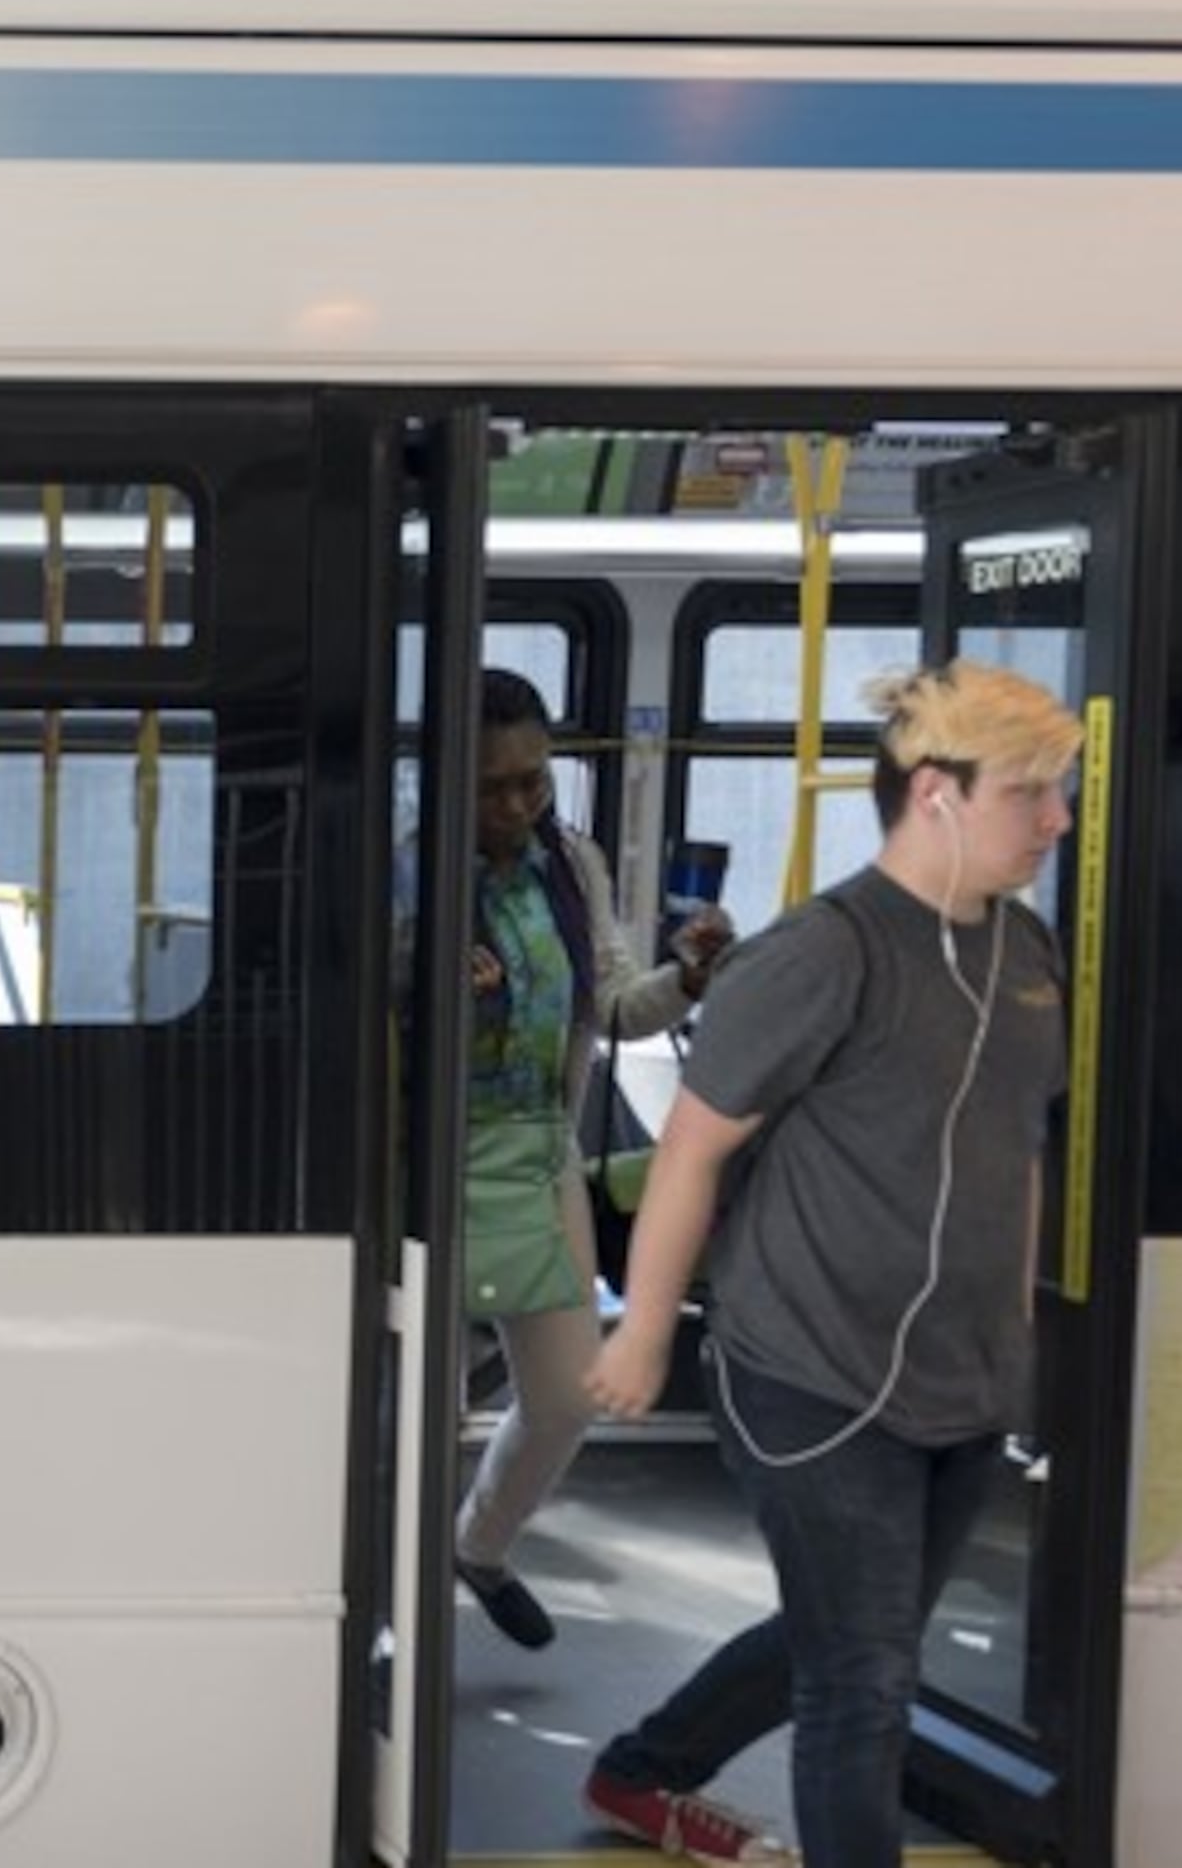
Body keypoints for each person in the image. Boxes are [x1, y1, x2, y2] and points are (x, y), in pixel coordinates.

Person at [579, 660, 1081, 1868]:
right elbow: (693, 1150)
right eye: (1030, 792)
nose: (1058, 820)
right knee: (863, 1683)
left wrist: (1016, 1334)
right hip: (806, 1371)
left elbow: (1014, 1149)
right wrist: (643, 1331)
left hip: (964, 1379)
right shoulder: (823, 953)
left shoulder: (1027, 952)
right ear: (937, 794)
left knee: (859, 1638)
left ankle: (643, 1770)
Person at [449, 669, 733, 1650]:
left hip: (538, 1149)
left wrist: (687, 978)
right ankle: (385, 1601)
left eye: (534, 779)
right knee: (407, 1413)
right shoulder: (406, 868)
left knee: (569, 1396)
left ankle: (479, 1546)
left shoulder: (571, 863)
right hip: (424, 1169)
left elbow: (611, 1005)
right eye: (493, 786)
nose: (518, 805)